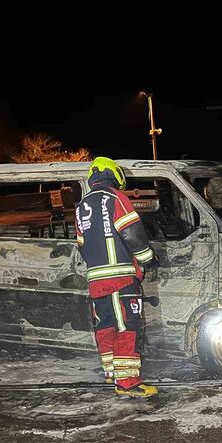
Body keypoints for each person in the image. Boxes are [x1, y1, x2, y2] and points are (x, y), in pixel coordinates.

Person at [75, 157, 159, 398]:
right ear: (113, 175)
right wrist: (147, 259)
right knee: (128, 327)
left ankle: (114, 376)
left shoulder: (82, 206)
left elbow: (81, 245)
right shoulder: (115, 198)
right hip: (120, 279)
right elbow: (133, 234)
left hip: (96, 282)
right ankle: (128, 383)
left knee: (107, 327)